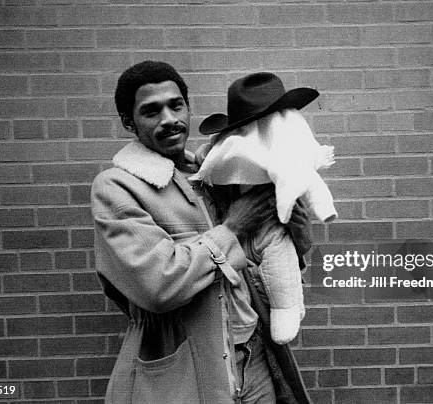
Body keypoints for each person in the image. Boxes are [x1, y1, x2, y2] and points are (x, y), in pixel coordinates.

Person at [90, 60, 312, 403]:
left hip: (255, 362)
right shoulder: (116, 187)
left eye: (176, 105)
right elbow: (157, 285)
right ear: (128, 123)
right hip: (189, 373)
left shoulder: (214, 176)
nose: (169, 119)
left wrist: (298, 237)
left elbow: (253, 265)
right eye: (151, 111)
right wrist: (232, 227)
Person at [191, 72, 337, 345]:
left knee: (280, 262)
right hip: (223, 323)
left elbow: (300, 244)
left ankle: (287, 307)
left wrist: (302, 232)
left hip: (270, 264)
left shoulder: (289, 163)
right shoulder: (218, 170)